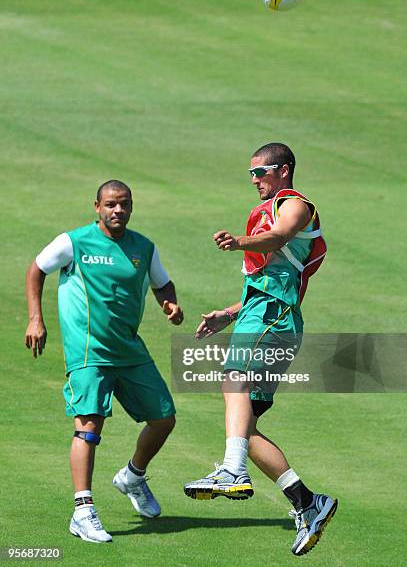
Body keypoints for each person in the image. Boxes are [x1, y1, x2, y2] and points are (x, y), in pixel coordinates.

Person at [184, 143, 337, 557]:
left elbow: (281, 235)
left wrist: (240, 241)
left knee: (232, 381)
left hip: (272, 317)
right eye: (250, 174)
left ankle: (232, 471)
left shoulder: (295, 204)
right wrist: (229, 314)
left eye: (261, 172)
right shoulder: (270, 208)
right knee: (245, 428)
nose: (254, 180)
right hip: (264, 313)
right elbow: (270, 277)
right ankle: (308, 502)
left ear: (283, 171)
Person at [25, 180, 183, 544]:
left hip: (129, 350)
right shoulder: (74, 242)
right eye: (111, 204)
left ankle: (132, 476)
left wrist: (169, 303)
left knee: (164, 418)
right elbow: (36, 270)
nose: (118, 211)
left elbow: (163, 283)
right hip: (88, 351)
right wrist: (36, 317)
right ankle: (83, 511)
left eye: (124, 204)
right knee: (89, 427)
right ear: (97, 206)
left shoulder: (142, 247)